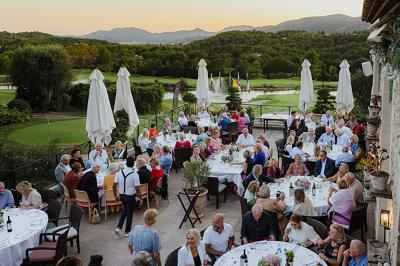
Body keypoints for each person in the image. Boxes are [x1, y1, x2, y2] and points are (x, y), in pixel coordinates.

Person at [114, 157, 142, 237]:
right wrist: (140, 197)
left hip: (122, 195)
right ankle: (127, 231)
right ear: (133, 164)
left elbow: (114, 185)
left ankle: (119, 227)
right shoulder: (134, 174)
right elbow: (137, 188)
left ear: (126, 163)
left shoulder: (120, 172)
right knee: (130, 213)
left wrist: (115, 195)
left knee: (125, 210)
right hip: (130, 196)